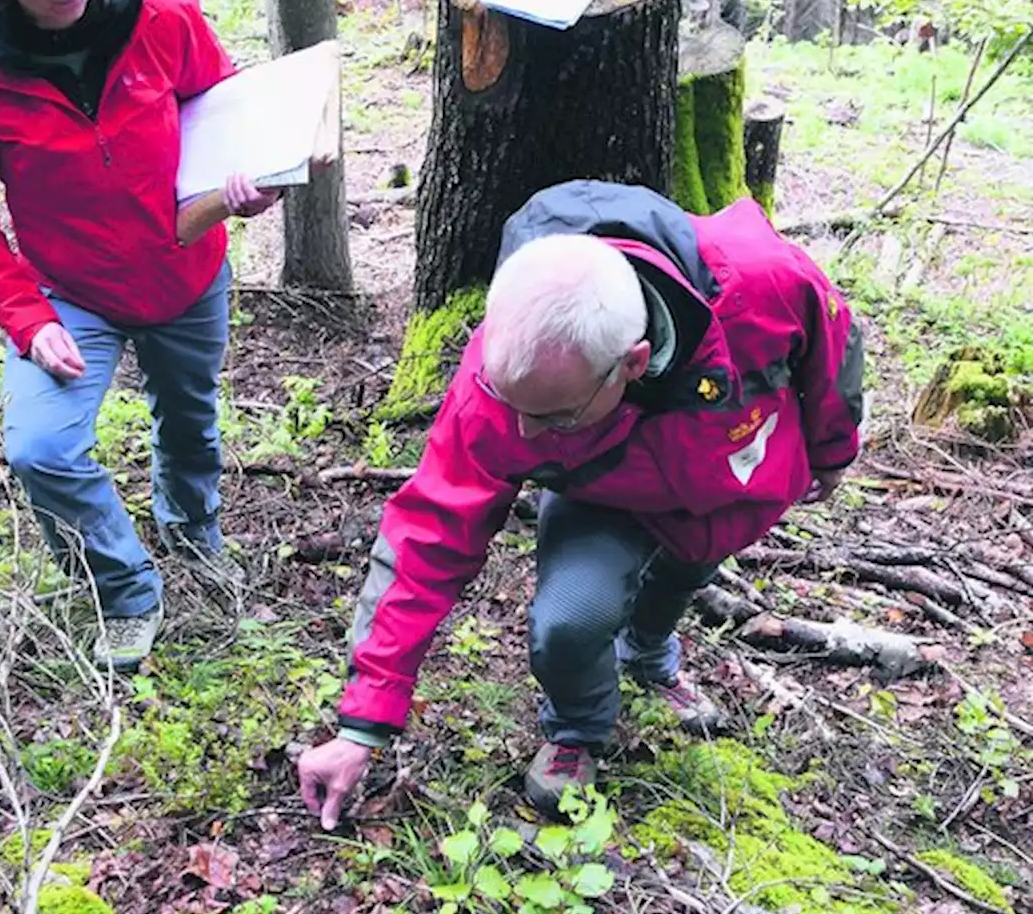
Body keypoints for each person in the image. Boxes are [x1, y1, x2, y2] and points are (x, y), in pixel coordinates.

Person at [298, 179, 864, 824]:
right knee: (568, 621)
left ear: (634, 362)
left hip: (736, 486)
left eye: (555, 416)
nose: (527, 434)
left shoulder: (761, 281)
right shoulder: (506, 379)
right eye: (516, 409)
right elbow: (430, 533)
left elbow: (834, 349)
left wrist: (833, 451)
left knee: (686, 568)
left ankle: (650, 657)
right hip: (606, 497)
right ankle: (576, 731)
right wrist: (362, 727)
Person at [0, 0, 280, 668]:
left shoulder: (163, 14)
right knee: (40, 448)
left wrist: (252, 185)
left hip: (185, 270)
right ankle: (124, 587)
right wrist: (25, 314)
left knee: (190, 422)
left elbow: (224, 115)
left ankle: (193, 533)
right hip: (67, 289)